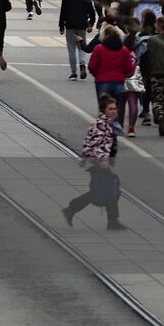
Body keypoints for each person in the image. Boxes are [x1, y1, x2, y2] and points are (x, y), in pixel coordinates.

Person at [61, 93, 124, 231]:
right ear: (104, 111)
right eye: (110, 109)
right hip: (97, 163)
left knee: (102, 192)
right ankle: (112, 221)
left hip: (99, 162)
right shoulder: (101, 125)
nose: (114, 111)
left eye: (115, 108)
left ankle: (72, 210)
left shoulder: (108, 124)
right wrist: (102, 160)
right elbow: (96, 144)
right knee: (110, 190)